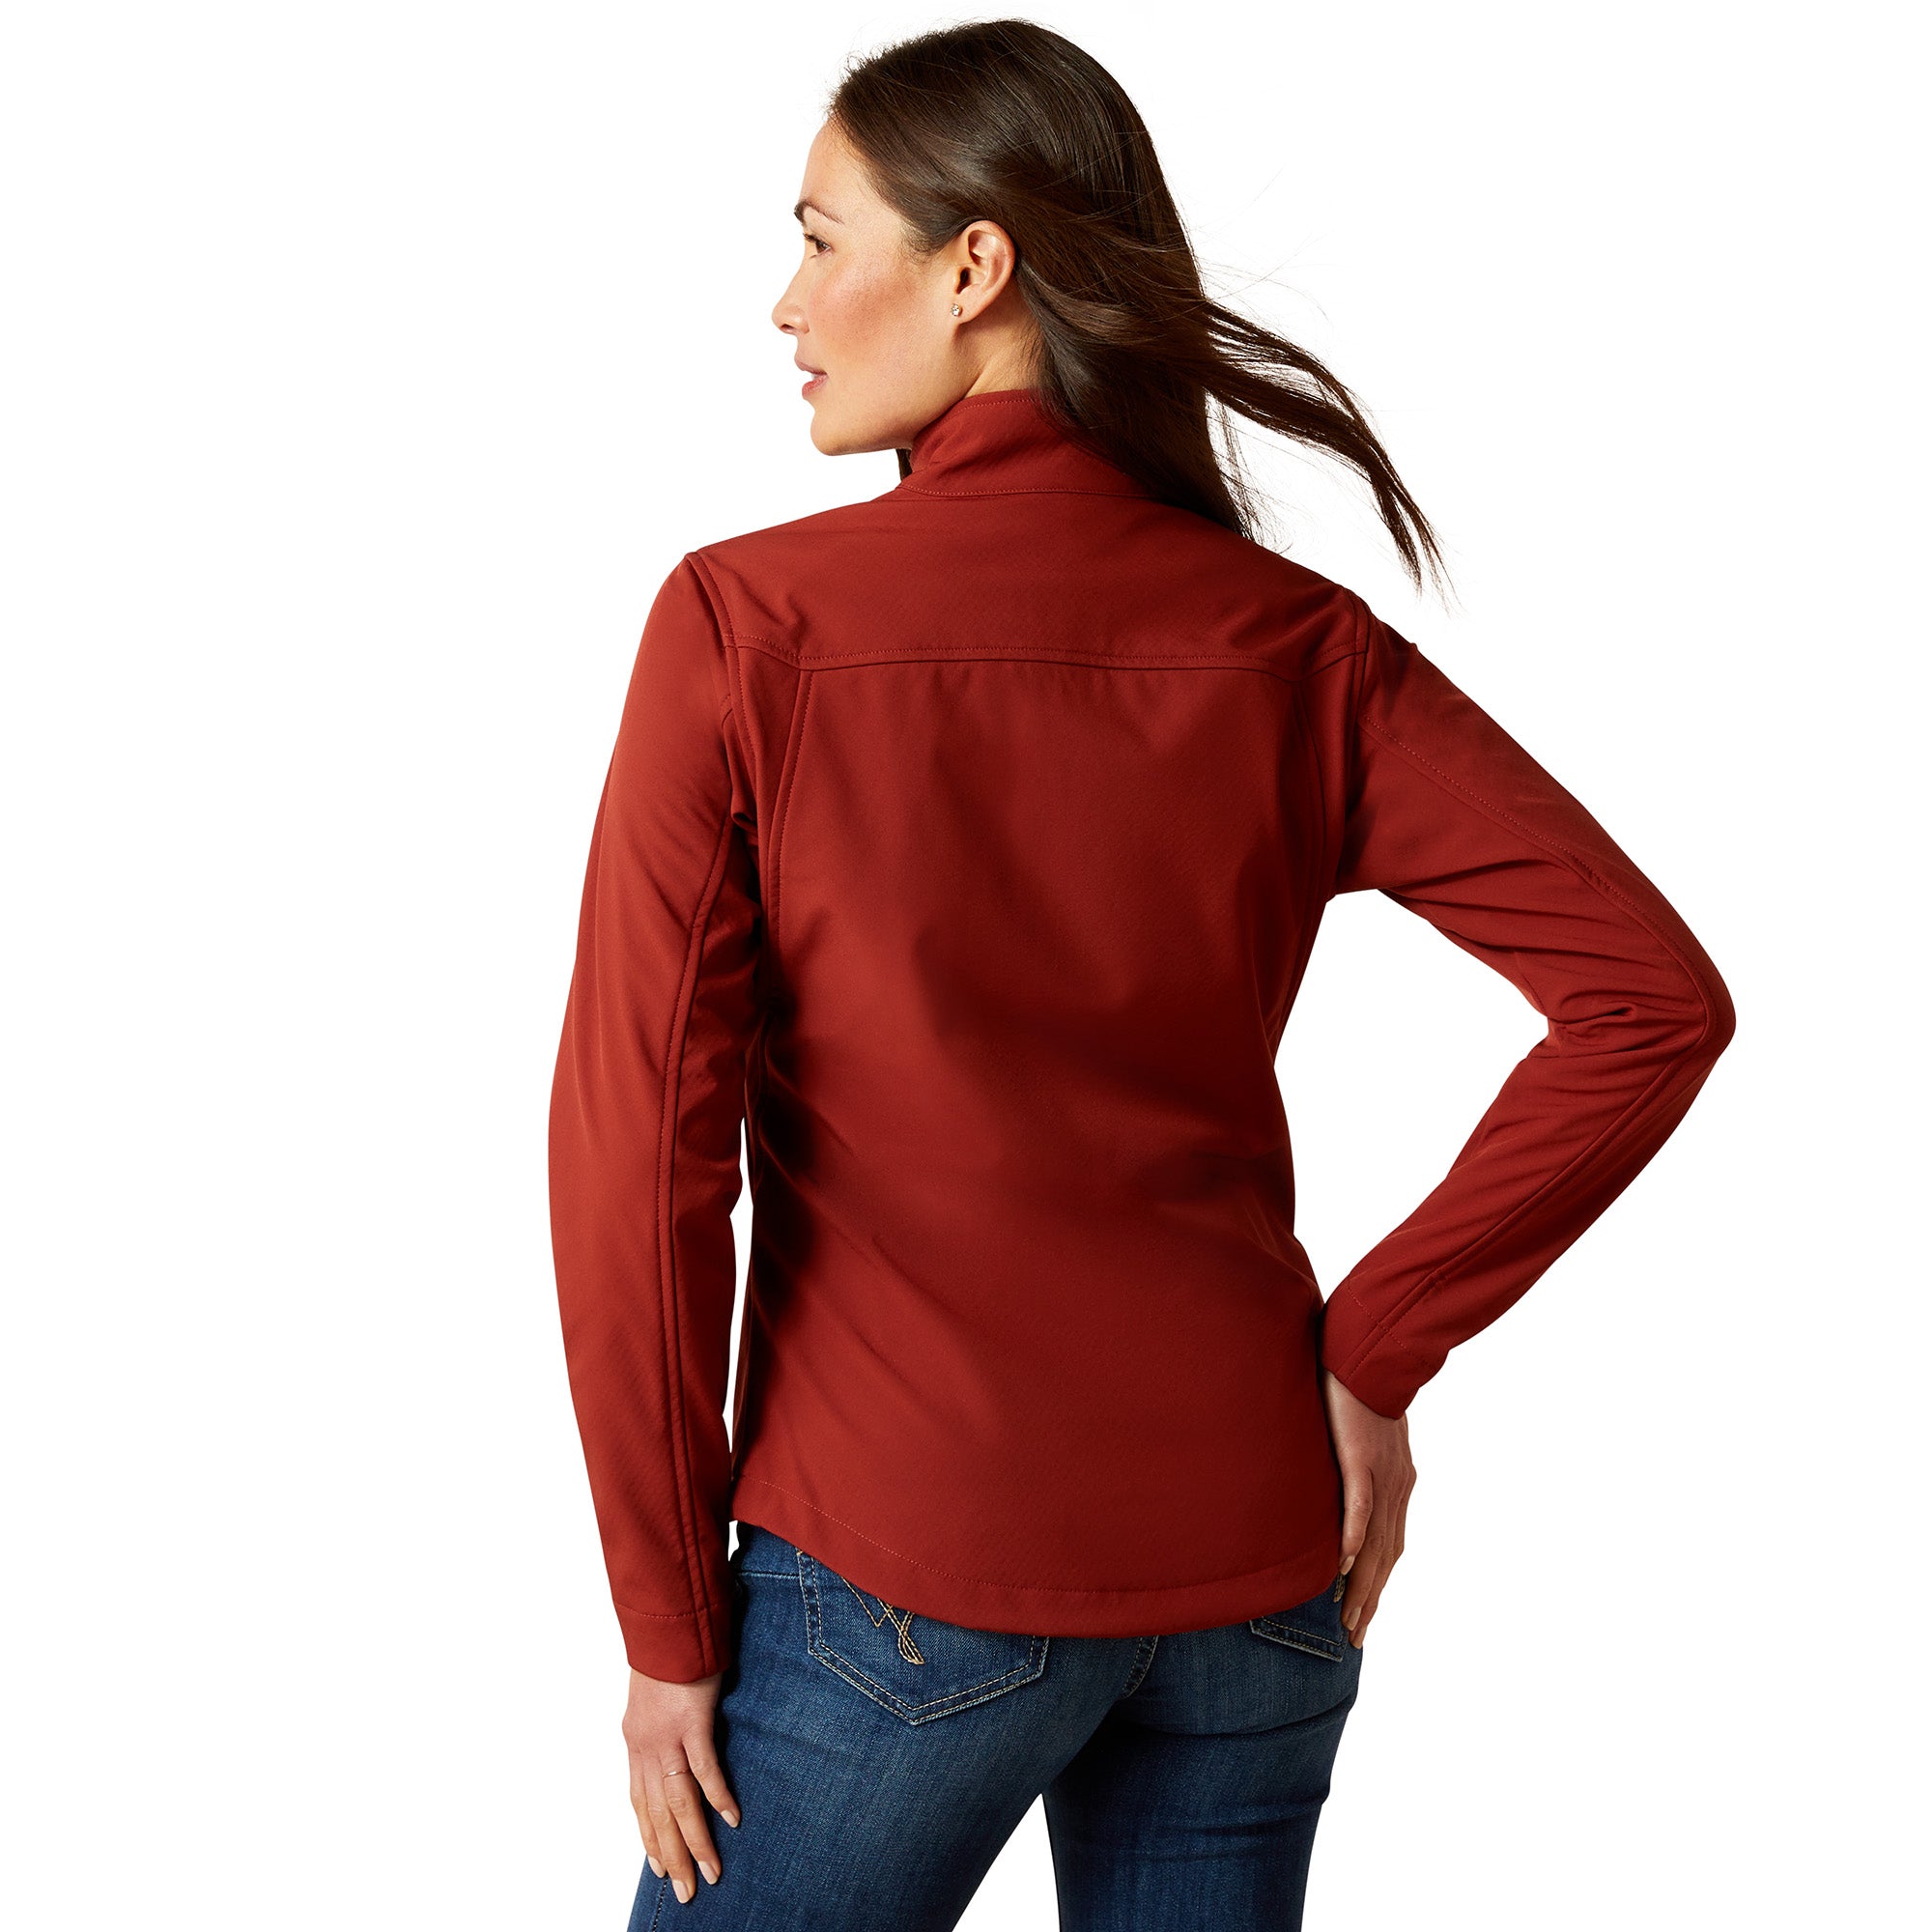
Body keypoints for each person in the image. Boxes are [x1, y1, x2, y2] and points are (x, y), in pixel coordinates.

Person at [547, 19, 1736, 1930]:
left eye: (821, 237)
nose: (786, 301)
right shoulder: (1294, 646)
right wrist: (1371, 1349)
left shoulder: (748, 628)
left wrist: (667, 1621)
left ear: (973, 266)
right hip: (1255, 1570)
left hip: (902, 1573)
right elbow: (1651, 999)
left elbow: (634, 1168)